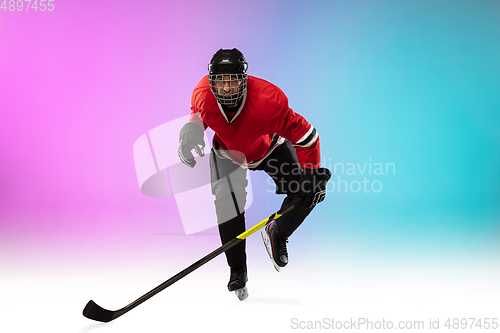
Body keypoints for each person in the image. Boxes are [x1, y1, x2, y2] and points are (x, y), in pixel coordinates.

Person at [178, 48, 331, 300]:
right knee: (228, 209)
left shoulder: (269, 101)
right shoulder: (203, 93)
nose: (227, 89)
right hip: (228, 154)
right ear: (212, 82)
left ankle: (278, 231)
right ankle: (237, 270)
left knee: (310, 191)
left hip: (270, 149)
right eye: (221, 82)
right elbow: (198, 115)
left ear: (244, 80)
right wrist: (191, 130)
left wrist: (310, 172)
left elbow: (308, 137)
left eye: (233, 81)